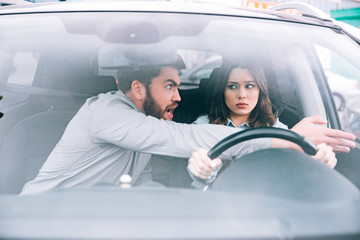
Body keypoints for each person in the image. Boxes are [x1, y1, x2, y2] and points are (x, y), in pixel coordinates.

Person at [20, 55, 355, 195]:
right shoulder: (107, 112)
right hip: (42, 222)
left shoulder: (142, 120)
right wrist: (285, 139)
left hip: (95, 216)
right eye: (169, 86)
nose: (179, 97)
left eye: (178, 86)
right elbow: (185, 136)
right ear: (138, 89)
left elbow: (142, 184)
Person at [188, 61, 339, 183]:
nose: (242, 95)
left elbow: (291, 163)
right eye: (232, 86)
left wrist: (318, 159)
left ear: (260, 90)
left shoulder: (274, 127)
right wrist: (201, 170)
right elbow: (195, 165)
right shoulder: (203, 124)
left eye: (250, 86)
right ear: (223, 90)